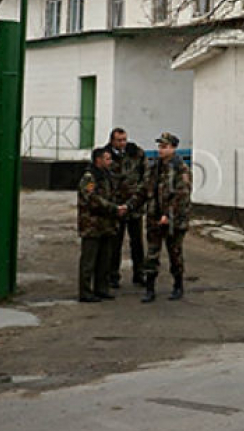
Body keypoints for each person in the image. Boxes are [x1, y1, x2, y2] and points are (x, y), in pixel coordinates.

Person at [130, 132, 191, 303]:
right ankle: (150, 289)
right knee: (152, 254)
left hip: (173, 220)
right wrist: (130, 206)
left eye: (164, 147)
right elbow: (143, 189)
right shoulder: (154, 167)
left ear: (173, 148)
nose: (161, 150)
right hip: (154, 217)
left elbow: (182, 196)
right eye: (159, 146)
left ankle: (178, 285)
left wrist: (168, 215)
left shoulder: (181, 169)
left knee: (175, 253)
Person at [76, 147, 126, 302]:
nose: (110, 162)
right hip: (92, 224)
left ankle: (101, 288)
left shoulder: (107, 176)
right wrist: (113, 208)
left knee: (105, 259)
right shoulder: (89, 178)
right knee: (89, 261)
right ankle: (85, 291)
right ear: (98, 160)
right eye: (107, 159)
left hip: (106, 224)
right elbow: (92, 199)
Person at [104, 127, 148, 289]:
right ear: (112, 140)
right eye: (119, 140)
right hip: (116, 205)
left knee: (137, 242)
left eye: (124, 140)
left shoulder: (136, 153)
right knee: (115, 242)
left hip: (134, 205)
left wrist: (139, 199)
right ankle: (112, 275)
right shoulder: (106, 155)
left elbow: (145, 177)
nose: (122, 143)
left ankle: (139, 273)